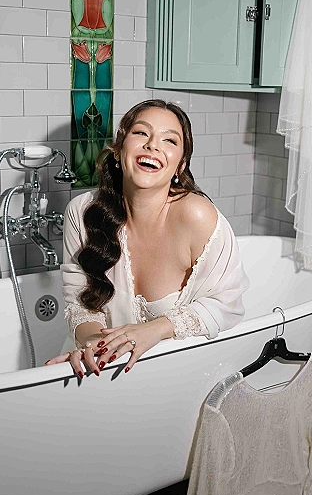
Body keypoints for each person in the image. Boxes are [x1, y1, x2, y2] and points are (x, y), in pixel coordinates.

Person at [46, 99, 249, 378]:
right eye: (141, 133)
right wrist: (95, 343)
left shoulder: (196, 217)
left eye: (169, 140)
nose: (153, 145)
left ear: (181, 165)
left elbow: (227, 305)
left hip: (173, 376)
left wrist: (154, 329)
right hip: (97, 366)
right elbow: (79, 300)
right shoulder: (82, 212)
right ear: (118, 151)